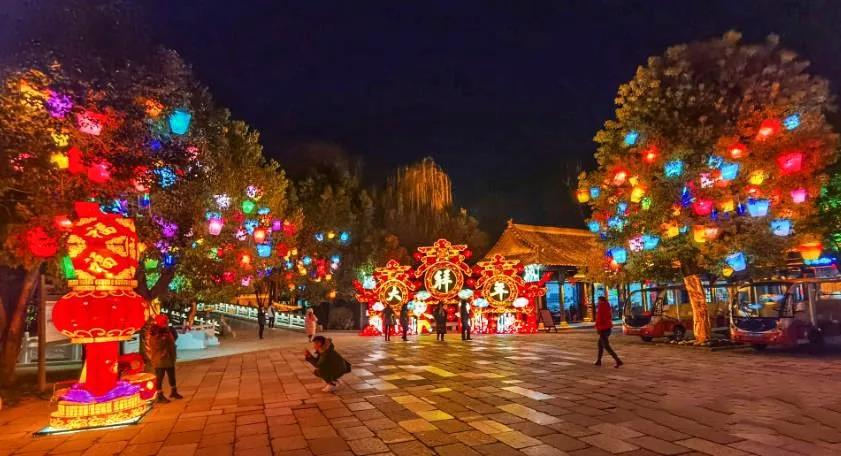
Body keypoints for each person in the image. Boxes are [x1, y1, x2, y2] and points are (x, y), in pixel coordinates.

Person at [149, 314, 182, 402]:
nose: (166, 323)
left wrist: (171, 333)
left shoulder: (167, 330)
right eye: (165, 322)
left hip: (169, 357)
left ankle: (174, 391)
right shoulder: (154, 332)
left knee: (172, 376)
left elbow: (173, 339)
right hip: (160, 359)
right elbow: (157, 345)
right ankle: (159, 395)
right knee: (160, 377)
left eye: (166, 321)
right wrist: (163, 337)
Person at [594, 296, 623, 368]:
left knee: (606, 346)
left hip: (603, 328)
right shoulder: (608, 306)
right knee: (600, 344)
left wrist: (598, 328)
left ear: (601, 300)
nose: (598, 302)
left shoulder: (601, 307)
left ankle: (618, 360)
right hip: (608, 328)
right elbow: (609, 316)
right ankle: (598, 360)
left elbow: (599, 318)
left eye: (598, 300)